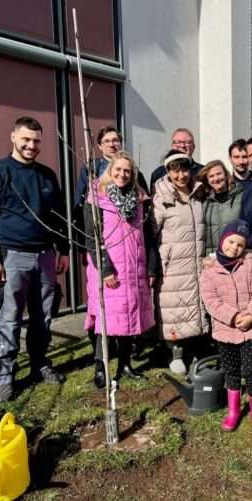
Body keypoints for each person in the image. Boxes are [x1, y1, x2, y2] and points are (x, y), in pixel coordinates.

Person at [0, 116, 69, 403]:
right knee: (10, 318)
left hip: (46, 255)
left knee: (44, 316)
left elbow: (58, 217)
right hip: (12, 256)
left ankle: (39, 363)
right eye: (26, 139)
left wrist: (63, 249)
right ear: (13, 137)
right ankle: (4, 376)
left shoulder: (47, 175)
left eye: (36, 140)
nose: (31, 145)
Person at [83, 151, 156, 388]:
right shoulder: (97, 198)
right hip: (109, 268)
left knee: (129, 316)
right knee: (107, 318)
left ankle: (125, 364)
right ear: (110, 171)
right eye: (118, 169)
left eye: (127, 171)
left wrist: (150, 267)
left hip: (133, 267)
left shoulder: (139, 200)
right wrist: (105, 269)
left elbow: (147, 235)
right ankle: (101, 366)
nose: (122, 174)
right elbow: (91, 237)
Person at [200, 220, 252, 432]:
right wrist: (233, 316)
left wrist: (251, 315)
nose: (234, 248)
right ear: (222, 240)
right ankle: (234, 410)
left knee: (251, 370)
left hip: (250, 330)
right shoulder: (209, 271)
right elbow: (211, 301)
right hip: (225, 331)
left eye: (240, 245)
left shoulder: (250, 265)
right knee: (232, 371)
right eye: (231, 242)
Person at [152, 149, 208, 374]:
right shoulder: (162, 199)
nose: (181, 176)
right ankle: (175, 354)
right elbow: (151, 232)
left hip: (196, 263)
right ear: (168, 172)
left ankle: (193, 352)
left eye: (184, 170)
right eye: (175, 171)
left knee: (193, 308)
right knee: (173, 309)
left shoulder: (199, 194)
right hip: (172, 265)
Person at [199, 160, 244, 257]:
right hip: (212, 258)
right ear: (207, 181)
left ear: (226, 175)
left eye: (219, 174)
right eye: (211, 176)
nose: (216, 178)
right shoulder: (204, 202)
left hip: (235, 256)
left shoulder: (240, 197)